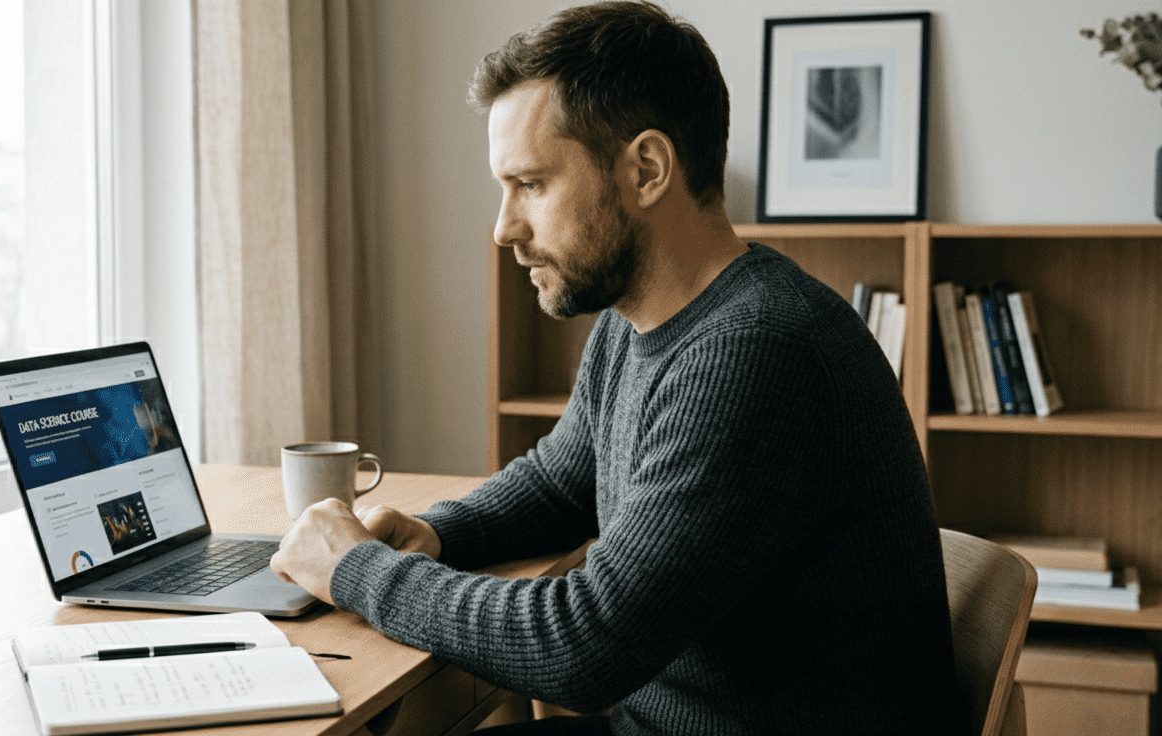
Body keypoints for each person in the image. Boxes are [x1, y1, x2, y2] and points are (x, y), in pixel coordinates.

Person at [271, 3, 965, 734]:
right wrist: (432, 533)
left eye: (530, 185)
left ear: (647, 169)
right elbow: (558, 483)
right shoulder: (638, 321)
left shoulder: (758, 349)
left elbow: (582, 643)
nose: (504, 228)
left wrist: (358, 571)